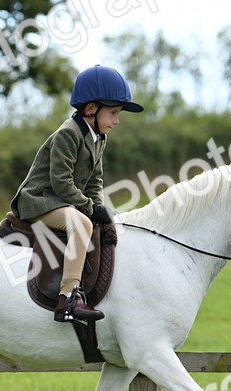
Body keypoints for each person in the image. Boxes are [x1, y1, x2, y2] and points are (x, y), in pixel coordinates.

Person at [10, 65, 144, 323]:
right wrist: (89, 209)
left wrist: (99, 207)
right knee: (81, 222)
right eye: (114, 113)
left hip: (61, 201)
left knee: (99, 219)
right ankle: (68, 297)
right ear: (91, 109)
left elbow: (95, 181)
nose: (116, 120)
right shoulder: (67, 134)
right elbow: (61, 182)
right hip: (39, 201)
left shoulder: (99, 137)